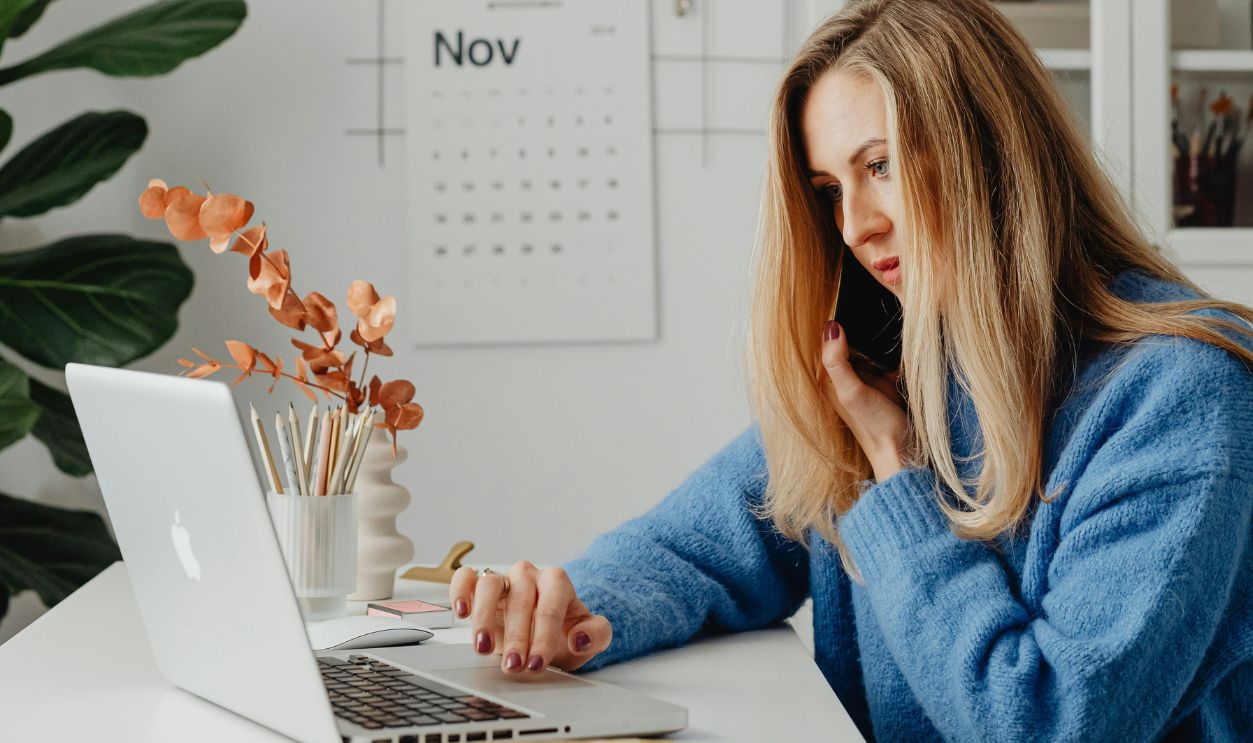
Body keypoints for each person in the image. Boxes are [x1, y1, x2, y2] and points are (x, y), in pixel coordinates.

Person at [449, 0, 1253, 739]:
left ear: (994, 151)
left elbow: (1045, 720)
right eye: (829, 188)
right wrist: (561, 609)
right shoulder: (899, 364)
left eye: (881, 166)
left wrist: (893, 471)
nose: (857, 227)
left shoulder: (1180, 395)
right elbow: (697, 548)